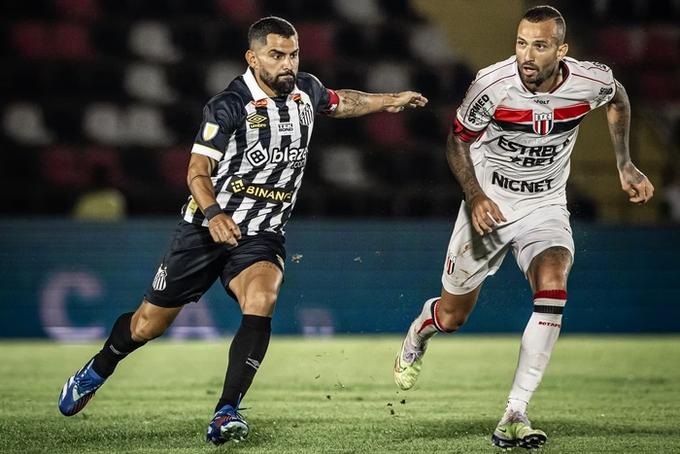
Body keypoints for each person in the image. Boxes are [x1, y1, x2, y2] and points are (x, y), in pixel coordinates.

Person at [58, 16, 428, 445]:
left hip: (261, 233)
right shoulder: (229, 105)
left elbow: (341, 101)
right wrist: (215, 214)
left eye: (292, 54)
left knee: (262, 297)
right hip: (203, 229)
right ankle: (97, 368)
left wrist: (388, 101)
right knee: (146, 326)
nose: (287, 64)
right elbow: (197, 170)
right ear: (253, 59)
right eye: (276, 55)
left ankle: (226, 412)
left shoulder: (305, 89)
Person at [393, 5, 653, 450]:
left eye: (539, 45)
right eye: (521, 43)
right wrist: (475, 195)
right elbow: (458, 140)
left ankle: (516, 411)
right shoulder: (492, 84)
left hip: (545, 205)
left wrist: (624, 162)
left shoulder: (591, 80)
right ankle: (422, 327)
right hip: (489, 206)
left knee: (553, 285)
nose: (526, 55)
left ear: (561, 49)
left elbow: (618, 98)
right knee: (454, 317)